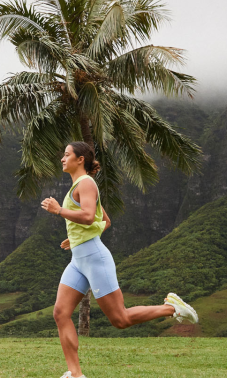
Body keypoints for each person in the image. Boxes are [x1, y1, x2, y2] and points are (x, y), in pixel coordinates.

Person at [41, 141, 198, 378]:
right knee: (60, 313)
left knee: (120, 319)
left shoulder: (86, 184)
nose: (62, 159)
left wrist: (58, 211)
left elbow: (85, 215)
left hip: (94, 258)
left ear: (80, 159)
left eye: (66, 155)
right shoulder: (78, 185)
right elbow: (104, 221)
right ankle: (75, 374)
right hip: (78, 260)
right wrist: (75, 239)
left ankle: (172, 308)